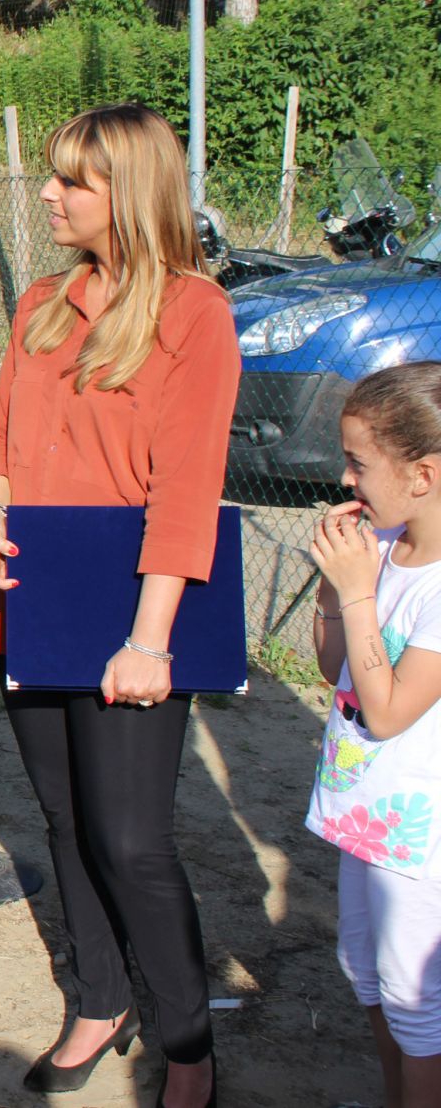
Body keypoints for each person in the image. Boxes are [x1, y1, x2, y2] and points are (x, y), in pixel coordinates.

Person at [0, 104, 237, 1107]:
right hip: (31, 602)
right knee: (63, 819)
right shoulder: (42, 300)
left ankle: (185, 1041)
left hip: (133, 615)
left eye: (69, 182)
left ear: (124, 193)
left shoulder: (192, 313)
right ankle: (96, 997)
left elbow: (185, 487)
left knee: (130, 840)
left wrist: (147, 638)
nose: (46, 194)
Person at [306, 362, 441, 1108]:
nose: (345, 476)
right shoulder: (387, 549)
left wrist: (358, 590)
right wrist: (335, 589)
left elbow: (388, 711)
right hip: (366, 814)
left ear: (421, 474)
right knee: (363, 969)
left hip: (420, 838)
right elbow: (341, 671)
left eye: (359, 462)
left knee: (416, 1002)